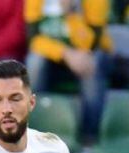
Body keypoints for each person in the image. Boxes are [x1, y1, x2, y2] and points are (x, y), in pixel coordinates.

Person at [24, 0, 113, 143]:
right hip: (53, 55)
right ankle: (29, 126)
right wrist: (64, 53)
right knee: (34, 61)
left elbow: (92, 43)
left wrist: (72, 14)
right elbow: (33, 39)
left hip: (87, 51)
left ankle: (90, 134)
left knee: (91, 64)